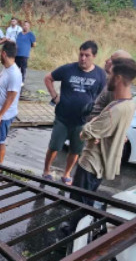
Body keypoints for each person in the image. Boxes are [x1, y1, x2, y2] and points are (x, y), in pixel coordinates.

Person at [72, 57, 136, 204]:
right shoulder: (130, 103)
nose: (107, 78)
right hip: (100, 166)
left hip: (91, 165)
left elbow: (84, 133)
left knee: (77, 204)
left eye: (110, 74)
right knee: (85, 203)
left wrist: (92, 124)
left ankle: (73, 227)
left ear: (118, 78)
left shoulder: (115, 110)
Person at [42, 40, 107, 184]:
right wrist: (54, 96)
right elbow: (48, 78)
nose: (83, 58)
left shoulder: (100, 75)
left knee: (75, 150)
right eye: (81, 54)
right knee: (54, 147)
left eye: (87, 55)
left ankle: (66, 174)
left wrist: (96, 120)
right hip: (63, 118)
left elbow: (103, 98)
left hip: (82, 122)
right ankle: (46, 170)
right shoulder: (68, 69)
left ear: (94, 56)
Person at [0, 40, 23, 164]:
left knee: (0, 140)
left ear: (3, 54)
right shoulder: (6, 68)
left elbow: (11, 97)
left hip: (4, 114)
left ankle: (0, 166)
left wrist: (0, 115)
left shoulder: (14, 74)